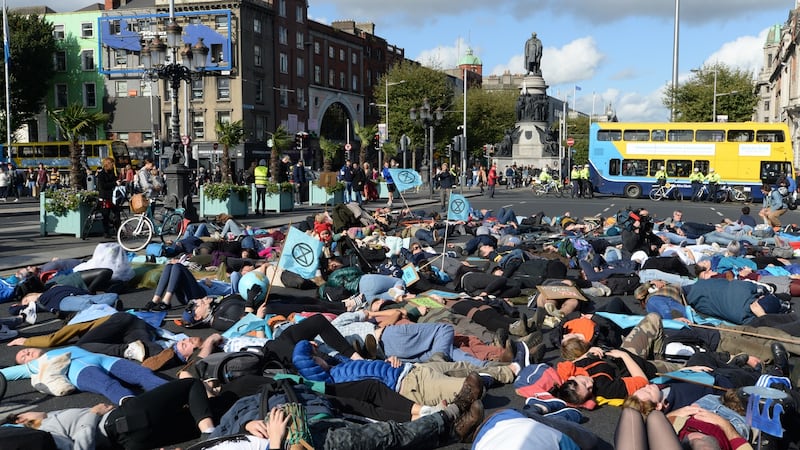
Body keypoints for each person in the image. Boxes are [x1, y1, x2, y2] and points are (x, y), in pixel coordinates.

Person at [9, 379, 217, 449]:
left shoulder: (49, 431)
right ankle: (211, 436)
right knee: (190, 385)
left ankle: (213, 435)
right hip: (123, 420)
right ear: (22, 419)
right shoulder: (47, 430)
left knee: (205, 415)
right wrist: (93, 412)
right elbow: (81, 443)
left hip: (131, 440)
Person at [2, 345, 167, 405]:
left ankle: (177, 392)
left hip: (105, 360)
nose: (25, 353)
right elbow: (5, 373)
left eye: (24, 351)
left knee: (143, 374)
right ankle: (137, 408)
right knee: (109, 385)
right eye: (22, 358)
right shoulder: (34, 366)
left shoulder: (60, 348)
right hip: (80, 371)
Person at [96, 157, 121, 239]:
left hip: (112, 197)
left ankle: (118, 230)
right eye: (112, 164)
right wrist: (114, 183)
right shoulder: (101, 174)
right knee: (105, 215)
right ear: (107, 164)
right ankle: (106, 232)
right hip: (104, 197)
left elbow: (114, 180)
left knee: (117, 213)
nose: (113, 165)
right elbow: (103, 186)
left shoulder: (112, 172)